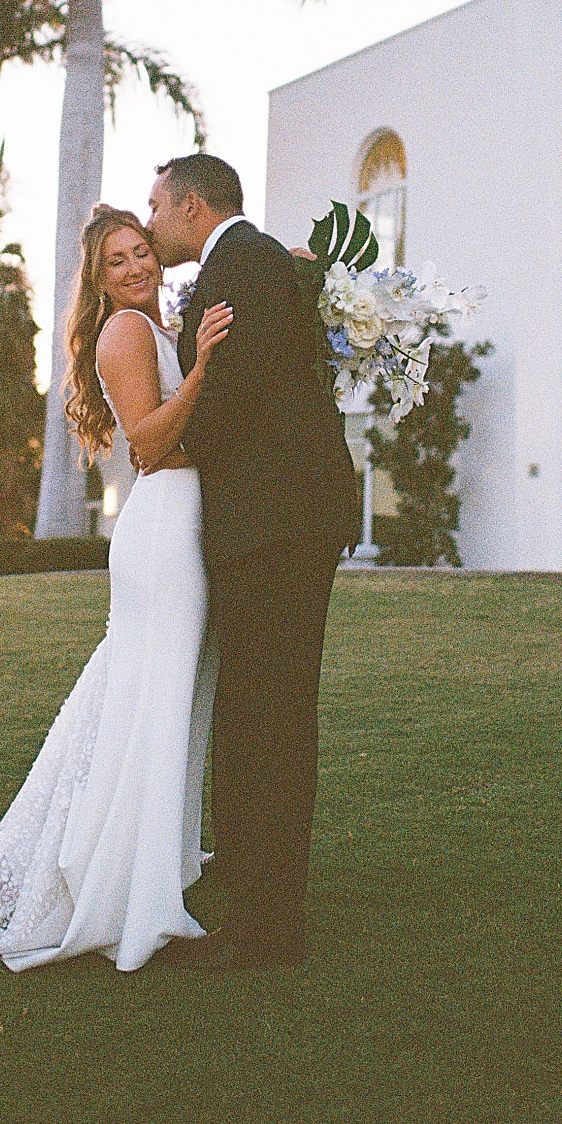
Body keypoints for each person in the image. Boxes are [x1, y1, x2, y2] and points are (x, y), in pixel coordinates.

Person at [0, 204, 233, 972]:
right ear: (99, 279)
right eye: (119, 260)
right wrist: (204, 370)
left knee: (155, 695)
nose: (138, 266)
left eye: (143, 251)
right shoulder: (127, 332)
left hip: (178, 526)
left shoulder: (156, 325)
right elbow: (146, 441)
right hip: (166, 527)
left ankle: (148, 862)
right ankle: (129, 887)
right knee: (156, 696)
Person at [145, 152, 362, 969]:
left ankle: (268, 929)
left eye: (157, 207)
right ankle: (249, 882)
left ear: (194, 206)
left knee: (267, 722)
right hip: (281, 524)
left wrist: (164, 440)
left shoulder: (241, 267)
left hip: (277, 529)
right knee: (258, 714)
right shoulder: (251, 262)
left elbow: (229, 400)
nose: (152, 221)